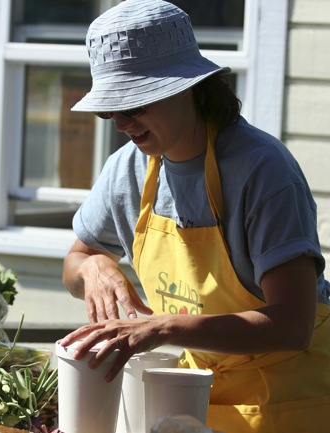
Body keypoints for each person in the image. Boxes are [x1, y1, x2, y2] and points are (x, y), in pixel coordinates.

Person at [59, 0, 330, 431]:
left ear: (187, 86)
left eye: (135, 103)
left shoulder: (262, 171)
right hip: (188, 398)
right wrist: (93, 266)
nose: (121, 122)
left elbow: (292, 324)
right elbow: (75, 261)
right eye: (109, 108)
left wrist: (167, 327)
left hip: (283, 403)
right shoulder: (126, 170)